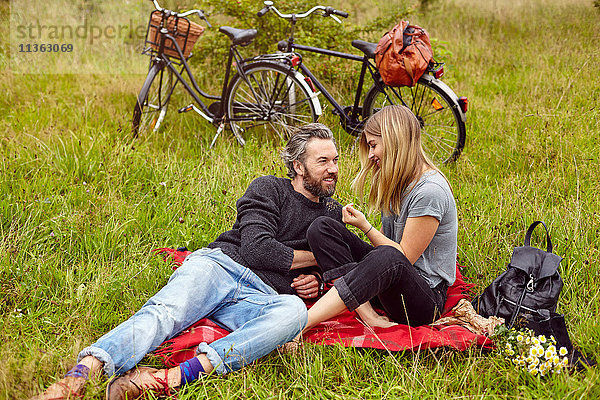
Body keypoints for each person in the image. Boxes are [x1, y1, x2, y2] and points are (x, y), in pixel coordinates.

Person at [34, 123, 341, 400]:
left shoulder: (332, 213)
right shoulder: (269, 188)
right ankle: (82, 374)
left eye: (336, 160)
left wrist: (316, 276)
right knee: (166, 312)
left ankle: (170, 378)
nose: (333, 169)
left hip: (262, 298)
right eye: (323, 161)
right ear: (298, 166)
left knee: (294, 313)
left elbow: (336, 268)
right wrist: (318, 258)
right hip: (221, 268)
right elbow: (258, 249)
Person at [303, 105, 458, 332]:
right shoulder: (398, 181)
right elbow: (383, 248)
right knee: (322, 228)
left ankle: (302, 323)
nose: (372, 154)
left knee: (388, 256)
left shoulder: (430, 191)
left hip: (422, 300)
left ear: (395, 141)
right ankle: (368, 314)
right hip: (389, 282)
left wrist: (366, 227)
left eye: (374, 145)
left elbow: (402, 257)